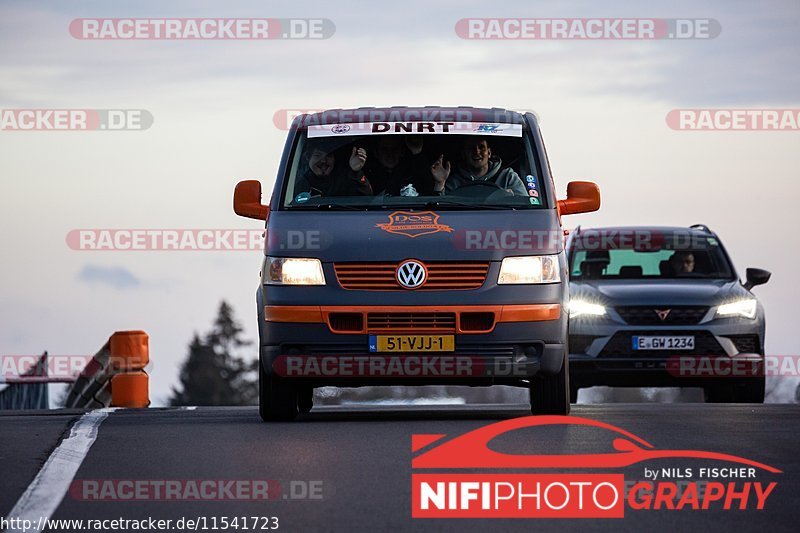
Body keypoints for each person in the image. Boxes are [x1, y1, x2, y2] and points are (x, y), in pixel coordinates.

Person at [429, 137, 528, 196]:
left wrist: (508, 197)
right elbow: (441, 210)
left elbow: (526, 206)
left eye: (481, 147)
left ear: (489, 153)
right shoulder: (454, 181)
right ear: (463, 154)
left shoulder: (508, 176)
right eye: (471, 148)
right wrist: (440, 184)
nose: (476, 152)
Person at [292, 138, 372, 201]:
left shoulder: (346, 178)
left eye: (329, 155)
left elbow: (367, 200)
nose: (323, 160)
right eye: (317, 155)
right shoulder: (294, 182)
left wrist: (356, 172)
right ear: (308, 158)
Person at [363, 136, 428, 196]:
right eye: (385, 149)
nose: (390, 154)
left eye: (395, 149)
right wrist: (354, 171)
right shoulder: (367, 175)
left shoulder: (413, 173)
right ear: (376, 153)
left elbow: (427, 190)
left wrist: (417, 153)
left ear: (402, 151)